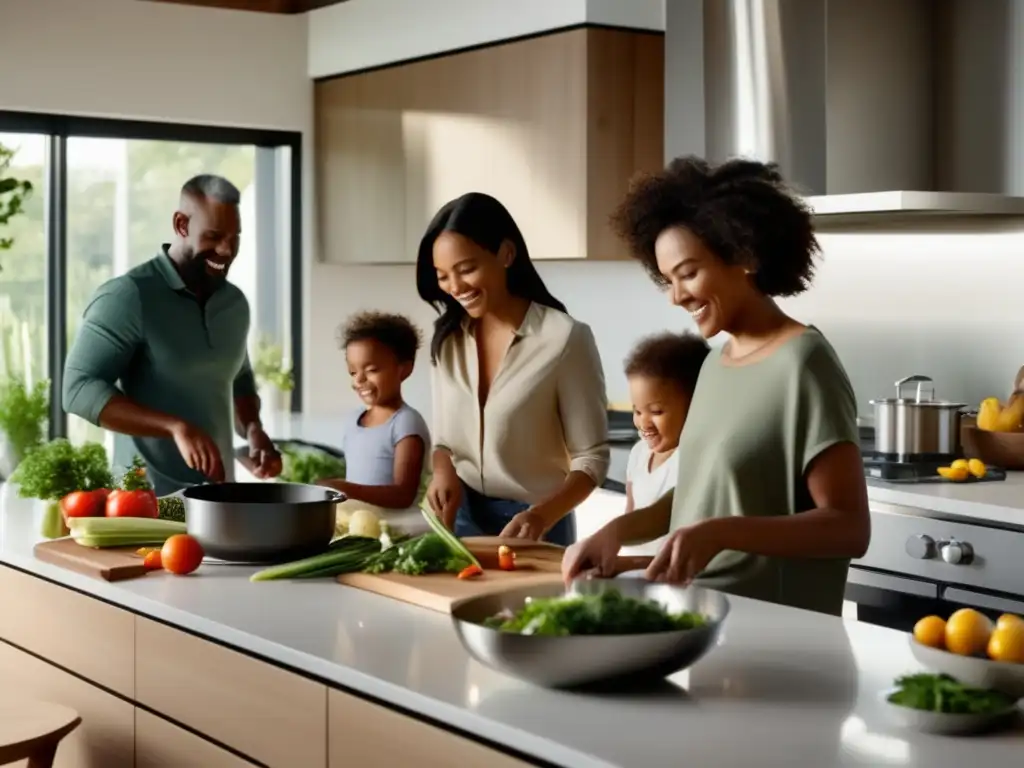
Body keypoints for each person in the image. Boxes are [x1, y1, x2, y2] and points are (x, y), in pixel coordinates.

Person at [562, 156, 871, 616]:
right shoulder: (713, 365)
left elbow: (849, 528)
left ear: (743, 254)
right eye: (668, 280)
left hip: (779, 638)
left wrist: (719, 531)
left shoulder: (804, 364)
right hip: (706, 625)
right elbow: (697, 502)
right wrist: (618, 537)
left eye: (688, 273)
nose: (676, 295)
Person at [62, 174, 281, 496]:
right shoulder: (127, 296)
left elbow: (239, 378)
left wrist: (253, 430)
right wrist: (175, 427)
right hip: (144, 501)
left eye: (235, 237)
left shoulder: (234, 304)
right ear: (181, 225)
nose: (226, 249)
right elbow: (77, 389)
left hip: (217, 498)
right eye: (214, 235)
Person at [418, 192, 610, 545]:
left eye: (466, 269)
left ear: (506, 254)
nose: (455, 287)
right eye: (443, 276)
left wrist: (542, 515)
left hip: (538, 522)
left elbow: (591, 458)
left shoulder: (565, 338)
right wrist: (442, 471)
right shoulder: (448, 340)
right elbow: (445, 440)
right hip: (461, 515)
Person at [316, 311, 431, 535]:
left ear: (404, 369)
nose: (359, 380)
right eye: (352, 371)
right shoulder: (352, 420)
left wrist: (344, 489)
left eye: (371, 370)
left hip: (396, 529)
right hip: (359, 526)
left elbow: (402, 495)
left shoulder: (406, 422)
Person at [619, 331, 710, 557]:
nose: (643, 422)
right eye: (637, 410)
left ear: (696, 403)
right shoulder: (638, 453)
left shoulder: (695, 458)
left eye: (656, 411)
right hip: (631, 570)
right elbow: (629, 515)